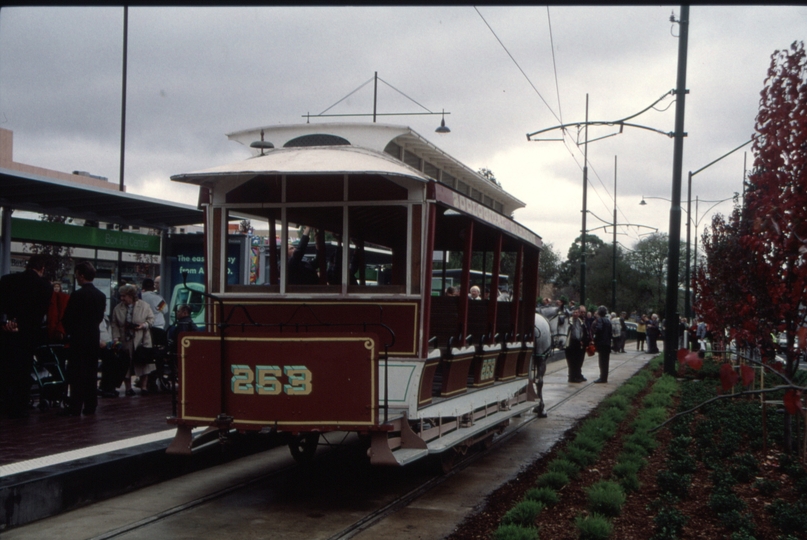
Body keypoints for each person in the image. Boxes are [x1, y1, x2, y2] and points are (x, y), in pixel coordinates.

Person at [0, 254, 53, 418]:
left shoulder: (7, 280)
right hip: (29, 334)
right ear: (42, 269)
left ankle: (4, 402)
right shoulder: (45, 286)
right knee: (24, 369)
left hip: (8, 331)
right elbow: (41, 312)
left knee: (6, 367)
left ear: (27, 265)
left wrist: (7, 323)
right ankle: (20, 406)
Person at [60, 261, 107, 416]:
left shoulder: (77, 295)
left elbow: (67, 318)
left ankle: (75, 406)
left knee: (77, 374)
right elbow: (99, 317)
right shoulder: (100, 296)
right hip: (93, 337)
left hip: (78, 338)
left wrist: (71, 331)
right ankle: (90, 405)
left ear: (81, 275)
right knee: (91, 373)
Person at [111, 284, 155, 395]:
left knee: (144, 364)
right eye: (121, 296)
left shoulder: (144, 306)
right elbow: (114, 324)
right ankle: (128, 389)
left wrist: (143, 325)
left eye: (124, 296)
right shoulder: (117, 308)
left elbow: (151, 319)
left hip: (142, 339)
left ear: (131, 296)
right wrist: (116, 338)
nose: (121, 298)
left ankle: (144, 387)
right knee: (126, 364)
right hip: (125, 340)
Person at [565, 306, 588, 383]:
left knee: (578, 361)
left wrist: (583, 340)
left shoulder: (581, 322)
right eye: (574, 312)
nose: (575, 314)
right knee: (571, 361)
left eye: (577, 312)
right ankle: (571, 377)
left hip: (579, 344)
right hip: (571, 344)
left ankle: (577, 375)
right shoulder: (569, 322)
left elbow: (584, 332)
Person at [591, 306, 613, 383]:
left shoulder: (600, 320)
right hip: (607, 343)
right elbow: (610, 333)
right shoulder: (608, 321)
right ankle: (604, 377)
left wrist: (595, 337)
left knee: (602, 361)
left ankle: (602, 378)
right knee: (606, 362)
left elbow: (599, 330)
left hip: (602, 343)